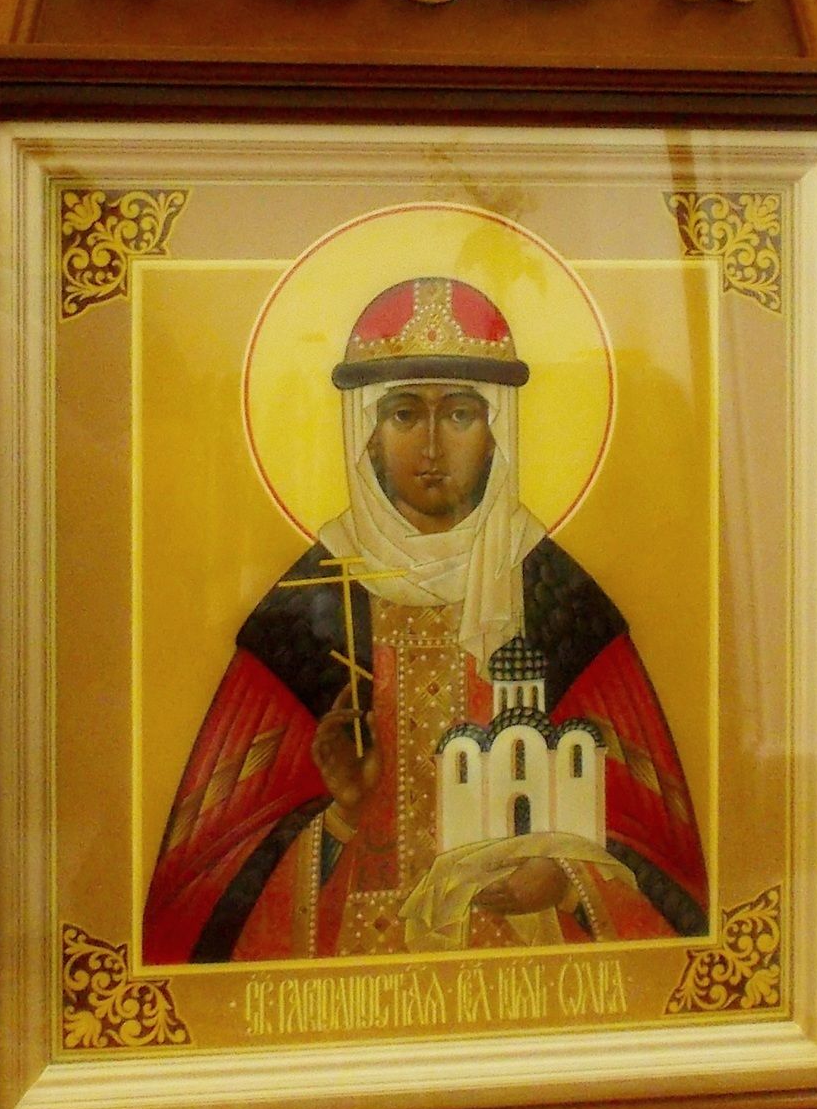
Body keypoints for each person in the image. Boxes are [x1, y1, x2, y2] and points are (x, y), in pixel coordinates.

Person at [141, 275, 709, 964]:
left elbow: (664, 856)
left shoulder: (560, 600)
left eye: (461, 414)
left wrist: (567, 879)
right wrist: (343, 816)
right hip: (353, 974)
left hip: (531, 970)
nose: (433, 447)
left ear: (497, 432)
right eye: (405, 414)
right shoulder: (307, 604)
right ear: (368, 434)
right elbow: (204, 884)